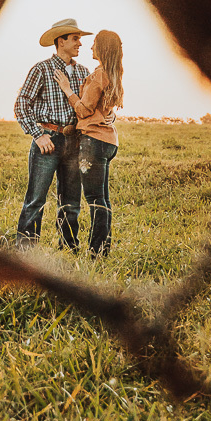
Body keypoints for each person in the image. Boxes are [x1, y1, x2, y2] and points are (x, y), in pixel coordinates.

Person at [13, 17, 91, 251]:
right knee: (36, 199)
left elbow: (90, 108)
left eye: (79, 39)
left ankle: (68, 247)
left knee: (71, 201)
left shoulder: (84, 73)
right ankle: (26, 250)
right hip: (48, 139)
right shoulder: (41, 69)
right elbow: (21, 104)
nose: (80, 43)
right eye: (75, 39)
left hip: (74, 142)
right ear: (61, 41)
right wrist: (38, 135)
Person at [55, 29, 123, 256]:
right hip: (108, 141)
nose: (90, 48)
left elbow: (84, 110)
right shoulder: (112, 74)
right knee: (102, 199)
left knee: (94, 199)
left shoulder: (98, 76)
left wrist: (67, 89)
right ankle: (102, 249)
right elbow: (106, 110)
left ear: (102, 48)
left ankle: (96, 251)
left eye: (94, 44)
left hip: (92, 142)